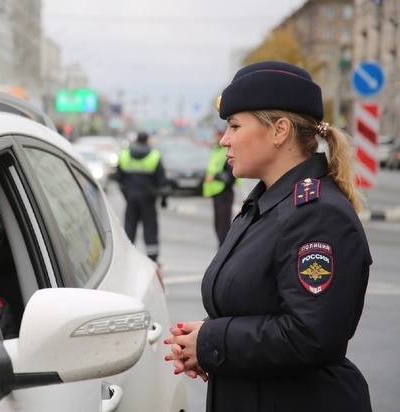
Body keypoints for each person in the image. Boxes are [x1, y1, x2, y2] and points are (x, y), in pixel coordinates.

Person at [163, 61, 373, 412]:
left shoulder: (317, 214)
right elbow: (259, 307)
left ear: (280, 131)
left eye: (234, 126)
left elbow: (310, 336)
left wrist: (213, 340)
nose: (224, 140)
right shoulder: (266, 203)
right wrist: (206, 344)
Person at [114, 131, 169, 262]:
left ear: (136, 140)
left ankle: (126, 256)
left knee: (129, 228)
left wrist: (127, 194)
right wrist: (163, 198)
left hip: (131, 197)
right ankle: (153, 259)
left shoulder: (125, 154)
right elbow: (161, 180)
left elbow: (118, 177)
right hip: (148, 198)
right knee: (150, 229)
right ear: (147, 140)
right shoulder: (154, 155)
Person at [202, 119, 238, 247]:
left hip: (224, 191)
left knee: (223, 226)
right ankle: (222, 250)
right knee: (218, 225)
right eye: (216, 134)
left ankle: (224, 252)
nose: (217, 137)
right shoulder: (217, 149)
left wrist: (215, 177)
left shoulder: (226, 151)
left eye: (219, 134)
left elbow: (230, 176)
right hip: (216, 192)